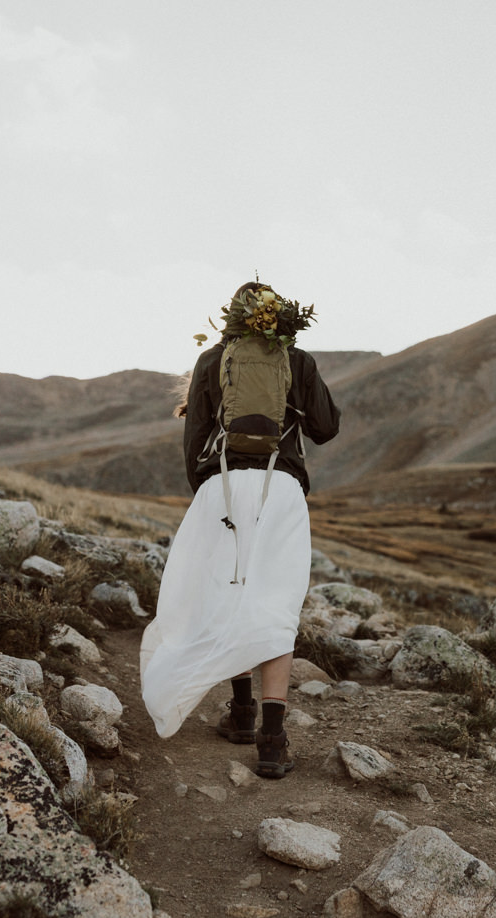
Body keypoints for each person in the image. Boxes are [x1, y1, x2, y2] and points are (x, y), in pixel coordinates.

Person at [139, 280, 340, 778]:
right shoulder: (297, 360)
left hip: (223, 488)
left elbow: (195, 440)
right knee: (274, 603)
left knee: (226, 592)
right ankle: (271, 740)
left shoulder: (212, 361)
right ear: (279, 317)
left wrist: (209, 495)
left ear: (231, 317)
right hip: (282, 490)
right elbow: (326, 427)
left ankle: (242, 711)